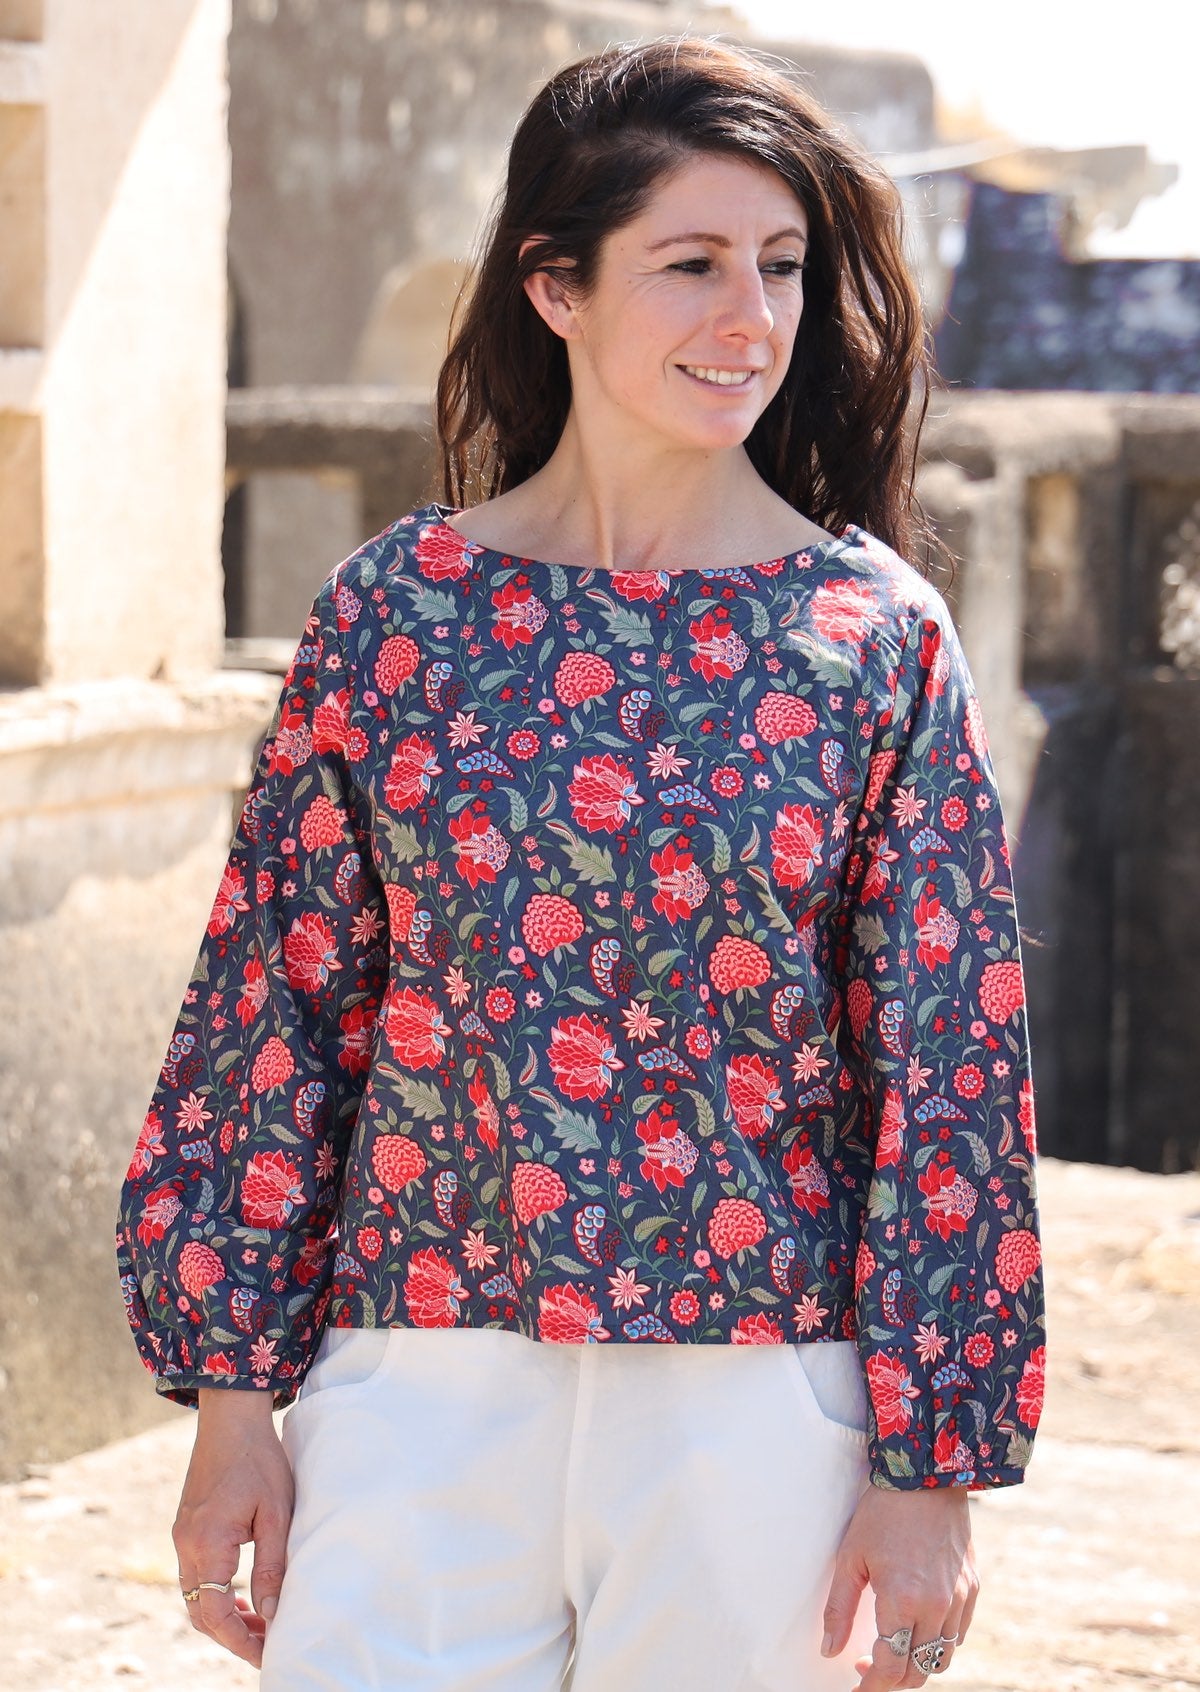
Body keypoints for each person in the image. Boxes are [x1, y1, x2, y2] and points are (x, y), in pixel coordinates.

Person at [116, 34, 1045, 1692]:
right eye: (689, 266)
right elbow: (273, 1019)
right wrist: (234, 1408)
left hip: (754, 1399)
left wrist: (931, 1475)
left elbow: (948, 1074)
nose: (750, 318)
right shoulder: (394, 615)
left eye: (779, 267)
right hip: (414, 1374)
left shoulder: (872, 640)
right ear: (557, 287)